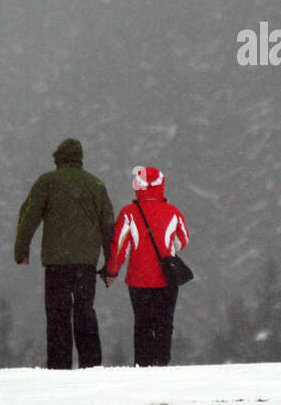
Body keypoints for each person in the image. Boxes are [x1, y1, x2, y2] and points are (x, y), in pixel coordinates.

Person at [14, 138, 114, 369]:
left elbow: (28, 216)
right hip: (86, 262)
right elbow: (108, 225)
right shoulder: (96, 185)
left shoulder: (47, 182)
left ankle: (59, 366)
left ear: (58, 158)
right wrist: (111, 264)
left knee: (58, 314)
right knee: (85, 311)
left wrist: (22, 251)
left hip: (57, 262)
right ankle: (91, 364)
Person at [105, 166, 191, 366]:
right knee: (165, 323)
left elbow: (119, 247)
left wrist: (112, 271)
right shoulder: (173, 212)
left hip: (138, 279)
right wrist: (169, 249)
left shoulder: (129, 213)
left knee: (142, 324)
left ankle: (143, 365)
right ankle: (162, 364)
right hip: (167, 279)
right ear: (161, 185)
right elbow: (183, 240)